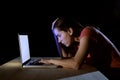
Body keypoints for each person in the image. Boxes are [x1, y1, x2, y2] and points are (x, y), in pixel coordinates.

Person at [39, 17, 120, 77]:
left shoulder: (87, 32)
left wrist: (50, 61)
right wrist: (55, 35)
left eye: (59, 36)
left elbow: (75, 64)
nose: (59, 40)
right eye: (57, 37)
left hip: (114, 72)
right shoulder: (75, 43)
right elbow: (66, 61)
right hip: (102, 73)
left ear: (70, 31)